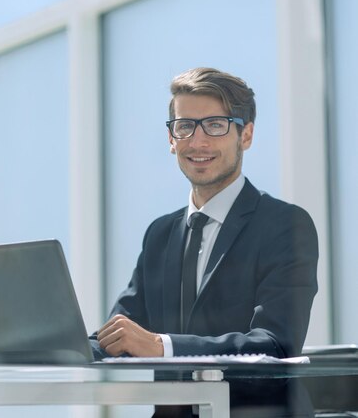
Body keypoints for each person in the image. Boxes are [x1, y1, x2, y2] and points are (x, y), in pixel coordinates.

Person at [91, 67, 319, 417]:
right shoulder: (159, 235)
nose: (198, 142)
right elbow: (119, 334)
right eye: (185, 127)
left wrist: (160, 345)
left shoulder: (285, 225)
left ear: (246, 135)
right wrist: (51, 346)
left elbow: (274, 345)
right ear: (171, 139)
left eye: (215, 125)